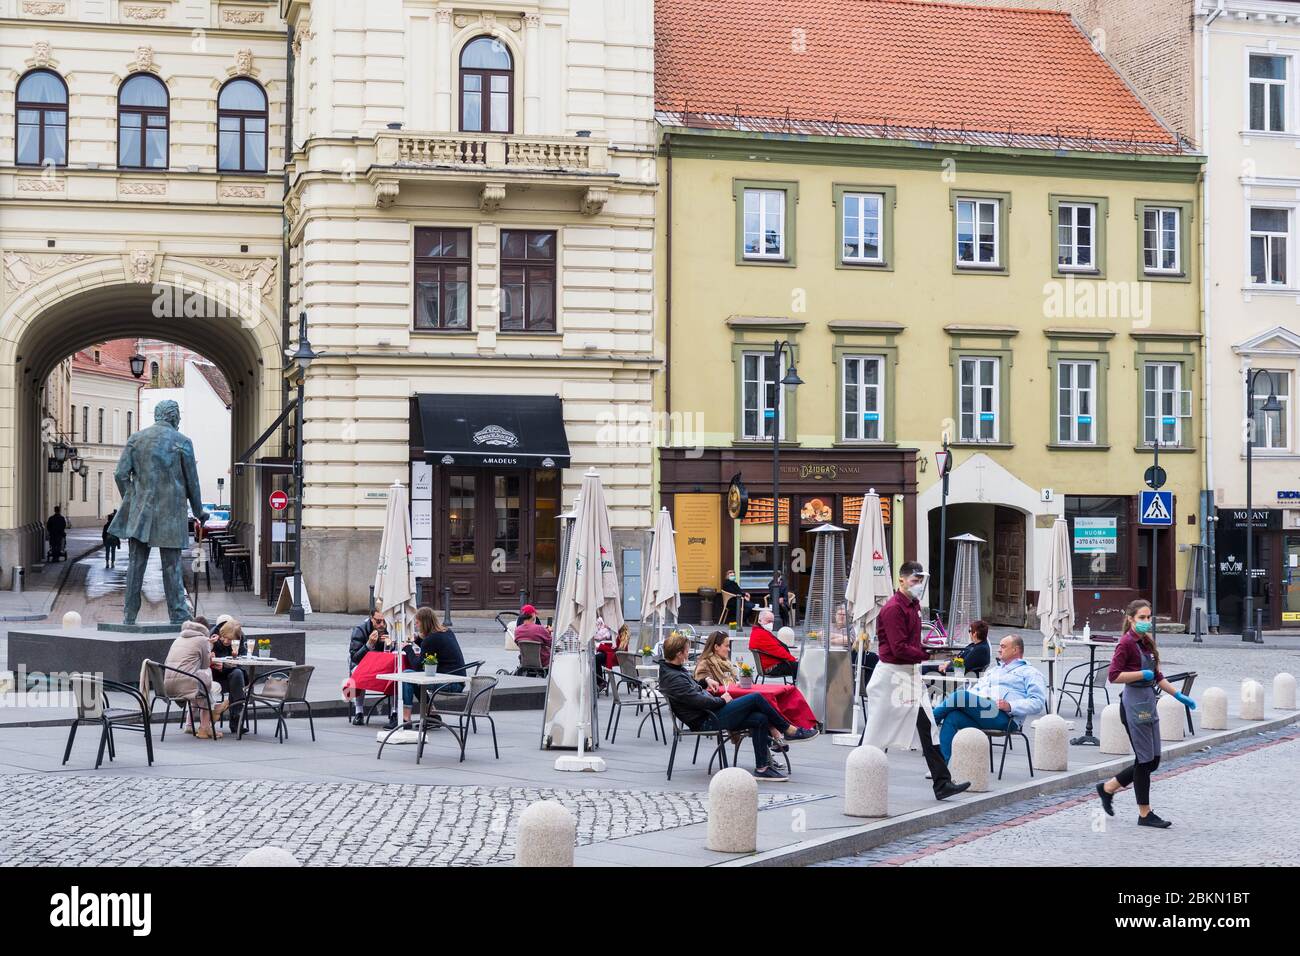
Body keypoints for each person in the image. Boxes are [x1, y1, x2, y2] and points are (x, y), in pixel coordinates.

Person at [862, 560, 972, 801]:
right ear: (901, 579)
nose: (919, 585)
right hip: (892, 675)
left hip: (907, 673)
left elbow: (907, 646)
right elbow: (899, 648)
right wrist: (929, 655)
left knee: (928, 726)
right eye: (915, 580)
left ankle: (942, 782)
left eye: (921, 580)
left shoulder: (912, 605)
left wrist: (928, 652)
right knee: (876, 731)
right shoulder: (893, 609)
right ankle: (861, 779)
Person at [657, 632, 816, 781]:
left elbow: (691, 691)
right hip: (706, 719)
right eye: (686, 650)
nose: (688, 652)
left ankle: (762, 768)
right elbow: (698, 701)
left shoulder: (673, 670)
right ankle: (788, 730)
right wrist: (723, 700)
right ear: (679, 654)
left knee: (760, 718)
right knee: (756, 698)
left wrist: (704, 681)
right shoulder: (673, 677)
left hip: (709, 713)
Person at [1096, 599, 1196, 829]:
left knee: (1154, 760)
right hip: (1132, 703)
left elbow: (1157, 675)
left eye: (1149, 617)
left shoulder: (1146, 642)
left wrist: (1178, 695)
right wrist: (1141, 674)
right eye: (1142, 618)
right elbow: (1114, 676)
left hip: (1148, 702)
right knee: (1144, 761)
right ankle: (1145, 814)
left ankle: (1108, 788)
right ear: (1131, 619)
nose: (1146, 622)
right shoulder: (1126, 644)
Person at [108, 400, 208, 625]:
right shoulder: (183, 442)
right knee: (171, 567)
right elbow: (192, 482)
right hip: (171, 514)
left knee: (135, 566)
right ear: (172, 416)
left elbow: (120, 474)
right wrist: (199, 511)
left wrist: (132, 498)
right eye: (178, 417)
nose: (179, 421)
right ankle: (178, 615)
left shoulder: (136, 439)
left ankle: (129, 615)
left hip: (141, 514)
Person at [931, 634, 1048, 760]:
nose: (999, 649)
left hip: (1005, 717)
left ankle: (929, 720)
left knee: (961, 696)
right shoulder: (994, 671)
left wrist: (1011, 706)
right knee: (952, 717)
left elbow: (1038, 702)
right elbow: (976, 689)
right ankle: (942, 769)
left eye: (1003, 647)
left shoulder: (1030, 673)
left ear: (1015, 650)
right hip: (982, 711)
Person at [160, 618, 227, 739]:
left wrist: (208, 645)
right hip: (187, 685)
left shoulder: (178, 638)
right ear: (205, 630)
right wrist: (209, 646)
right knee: (212, 687)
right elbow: (205, 665)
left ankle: (190, 725)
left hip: (167, 686)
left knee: (199, 685)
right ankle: (206, 727)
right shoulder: (202, 640)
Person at [348, 604, 394, 725]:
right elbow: (355, 658)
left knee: (398, 675)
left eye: (384, 621)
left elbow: (393, 653)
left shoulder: (389, 629)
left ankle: (395, 712)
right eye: (378, 622)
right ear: (371, 618)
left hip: (383, 666)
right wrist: (368, 645)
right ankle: (359, 712)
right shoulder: (360, 630)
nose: (382, 625)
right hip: (363, 666)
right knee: (358, 673)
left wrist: (390, 645)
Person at [209, 618, 248, 732]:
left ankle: (236, 717)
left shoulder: (240, 639)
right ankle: (237, 717)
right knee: (237, 680)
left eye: (230, 640)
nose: (226, 641)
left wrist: (236, 658)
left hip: (232, 675)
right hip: (214, 676)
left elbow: (243, 662)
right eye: (224, 638)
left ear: (237, 638)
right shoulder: (214, 636)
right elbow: (205, 658)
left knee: (237, 674)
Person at [926, 619, 992, 677]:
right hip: (954, 673)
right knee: (926, 668)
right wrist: (948, 663)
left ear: (975, 633)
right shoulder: (978, 645)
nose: (969, 633)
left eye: (969, 631)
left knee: (924, 669)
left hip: (955, 678)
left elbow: (961, 668)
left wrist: (946, 667)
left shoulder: (980, 649)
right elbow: (960, 659)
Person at [749, 609, 798, 679]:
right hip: (772, 667)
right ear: (760, 620)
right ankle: (798, 687)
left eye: (772, 622)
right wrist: (792, 659)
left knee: (798, 665)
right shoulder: (761, 634)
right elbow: (778, 651)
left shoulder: (759, 631)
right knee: (799, 668)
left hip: (770, 665)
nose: (771, 624)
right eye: (768, 621)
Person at [514, 604, 554, 669]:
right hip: (543, 661)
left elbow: (517, 643)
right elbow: (551, 643)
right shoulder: (540, 629)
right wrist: (548, 632)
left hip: (525, 661)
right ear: (532, 614)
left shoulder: (517, 630)